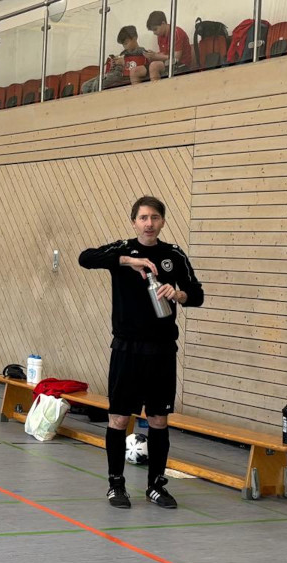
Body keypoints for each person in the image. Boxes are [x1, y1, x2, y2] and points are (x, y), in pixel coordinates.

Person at [78, 196, 204, 509]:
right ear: (135, 221)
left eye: (155, 218)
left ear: (162, 221)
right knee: (119, 418)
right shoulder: (122, 249)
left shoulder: (172, 255)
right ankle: (115, 484)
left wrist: (179, 293)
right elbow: (85, 257)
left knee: (159, 419)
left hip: (161, 351)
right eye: (143, 218)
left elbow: (197, 295)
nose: (149, 223)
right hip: (126, 350)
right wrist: (128, 261)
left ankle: (156, 486)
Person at [145, 10, 193, 81]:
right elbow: (164, 54)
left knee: (154, 66)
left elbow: (176, 58)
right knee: (147, 66)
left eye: (155, 29)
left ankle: (157, 91)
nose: (154, 33)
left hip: (182, 65)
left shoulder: (176, 32)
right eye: (152, 31)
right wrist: (152, 55)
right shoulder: (160, 36)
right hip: (169, 63)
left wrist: (157, 56)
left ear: (163, 23)